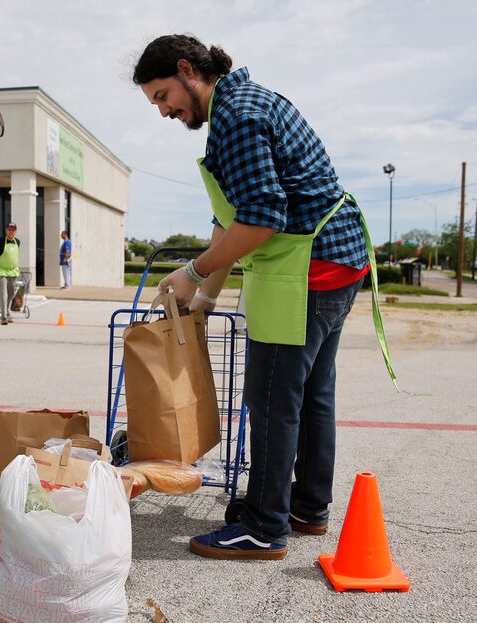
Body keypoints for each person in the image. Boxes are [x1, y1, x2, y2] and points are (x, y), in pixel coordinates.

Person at [133, 34, 396, 560]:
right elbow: (227, 219)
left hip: (306, 270)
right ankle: (305, 507)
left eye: (163, 95)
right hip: (337, 263)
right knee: (313, 394)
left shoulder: (236, 118)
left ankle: (263, 524)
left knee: (273, 400)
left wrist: (190, 271)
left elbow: (259, 220)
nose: (163, 111)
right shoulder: (247, 101)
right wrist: (206, 296)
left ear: (188, 70)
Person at [0, 222, 20, 325]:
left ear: (16, 231)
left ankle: (7, 311)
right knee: (3, 293)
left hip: (13, 272)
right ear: (6, 230)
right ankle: (4, 316)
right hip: (1, 271)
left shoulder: (18, 242)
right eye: (9, 229)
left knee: (11, 293)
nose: (11, 232)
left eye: (13, 230)